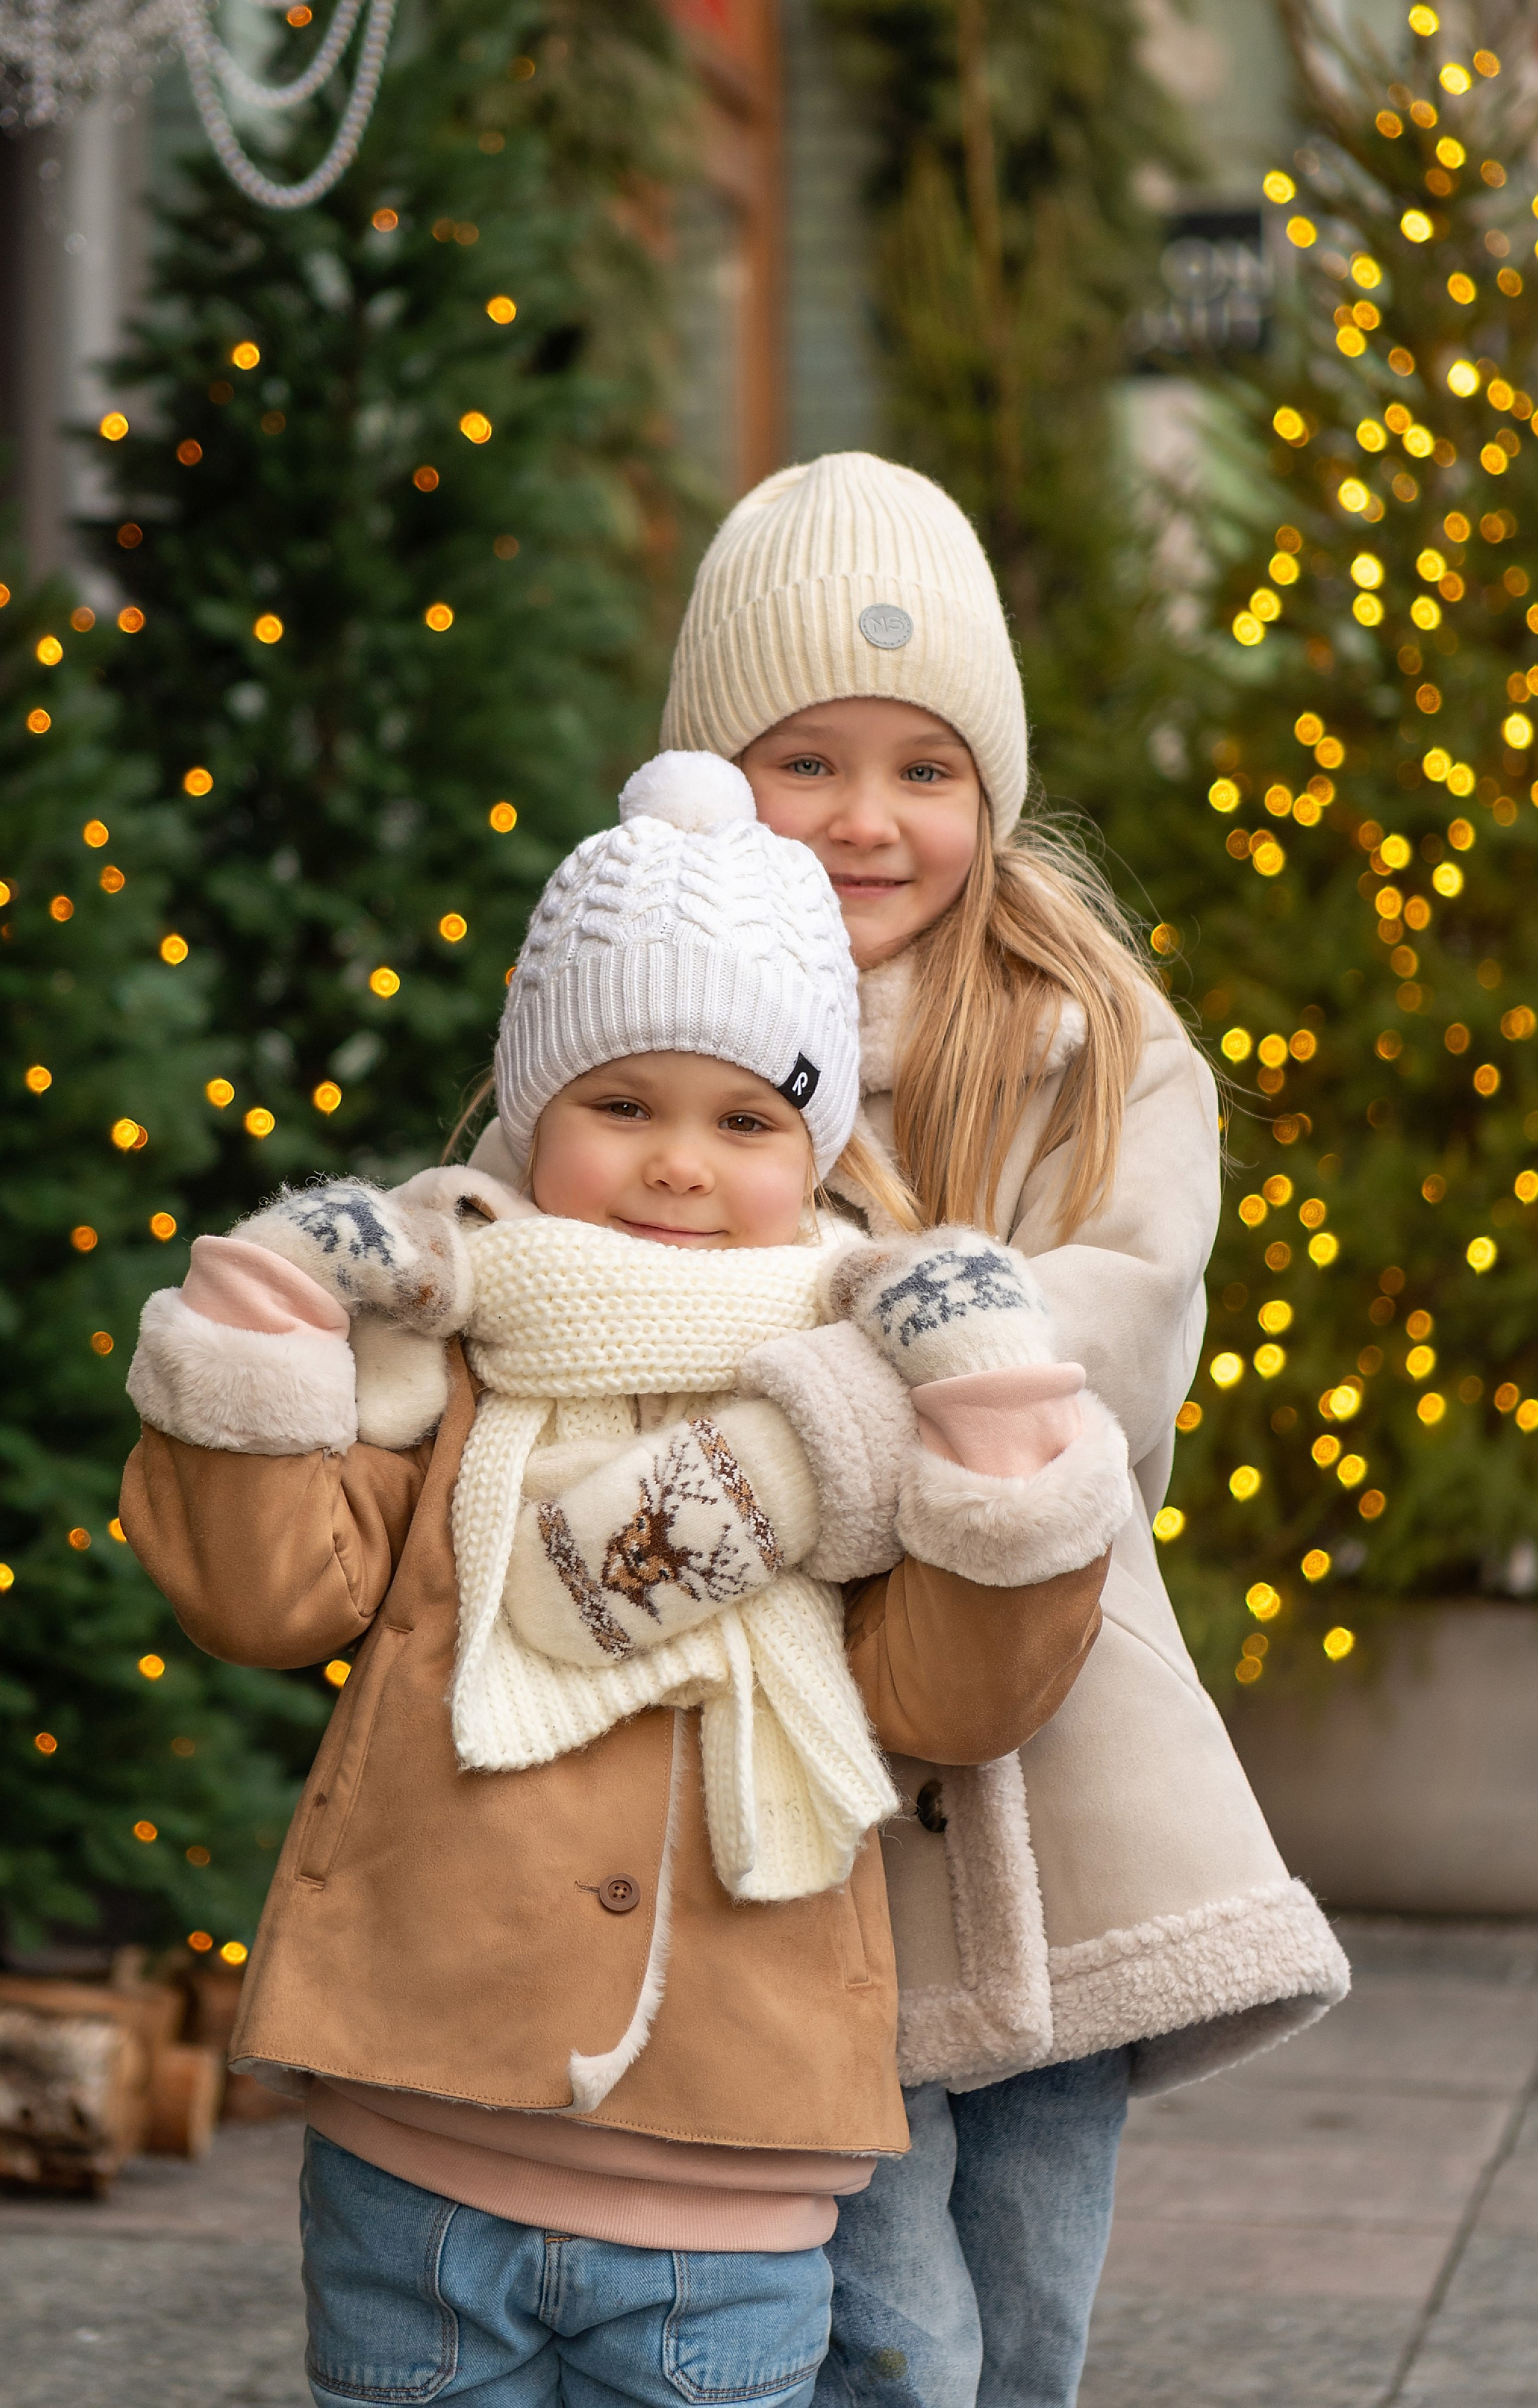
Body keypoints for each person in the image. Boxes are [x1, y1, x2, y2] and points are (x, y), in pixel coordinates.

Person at [119, 748, 1131, 2407]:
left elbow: (948, 1699)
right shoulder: (452, 1360)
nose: (678, 1162)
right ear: (537, 1111)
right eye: (623, 1105)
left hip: (730, 2170)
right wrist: (262, 1330)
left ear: (811, 1147)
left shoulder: (857, 1400)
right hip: (414, 2127)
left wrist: (994, 1435)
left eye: (745, 1120)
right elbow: (266, 1597)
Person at [644, 452, 1353, 2408]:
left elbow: (1109, 1350)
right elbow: (619, 1294)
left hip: (1065, 1740)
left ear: (991, 786)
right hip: (814, 1759)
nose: (870, 819)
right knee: (885, 2315)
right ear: (717, 773)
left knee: (1033, 2287)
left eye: (924, 767)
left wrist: (843, 1393)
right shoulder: (656, 1018)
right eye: (808, 759)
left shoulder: (1086, 1033)